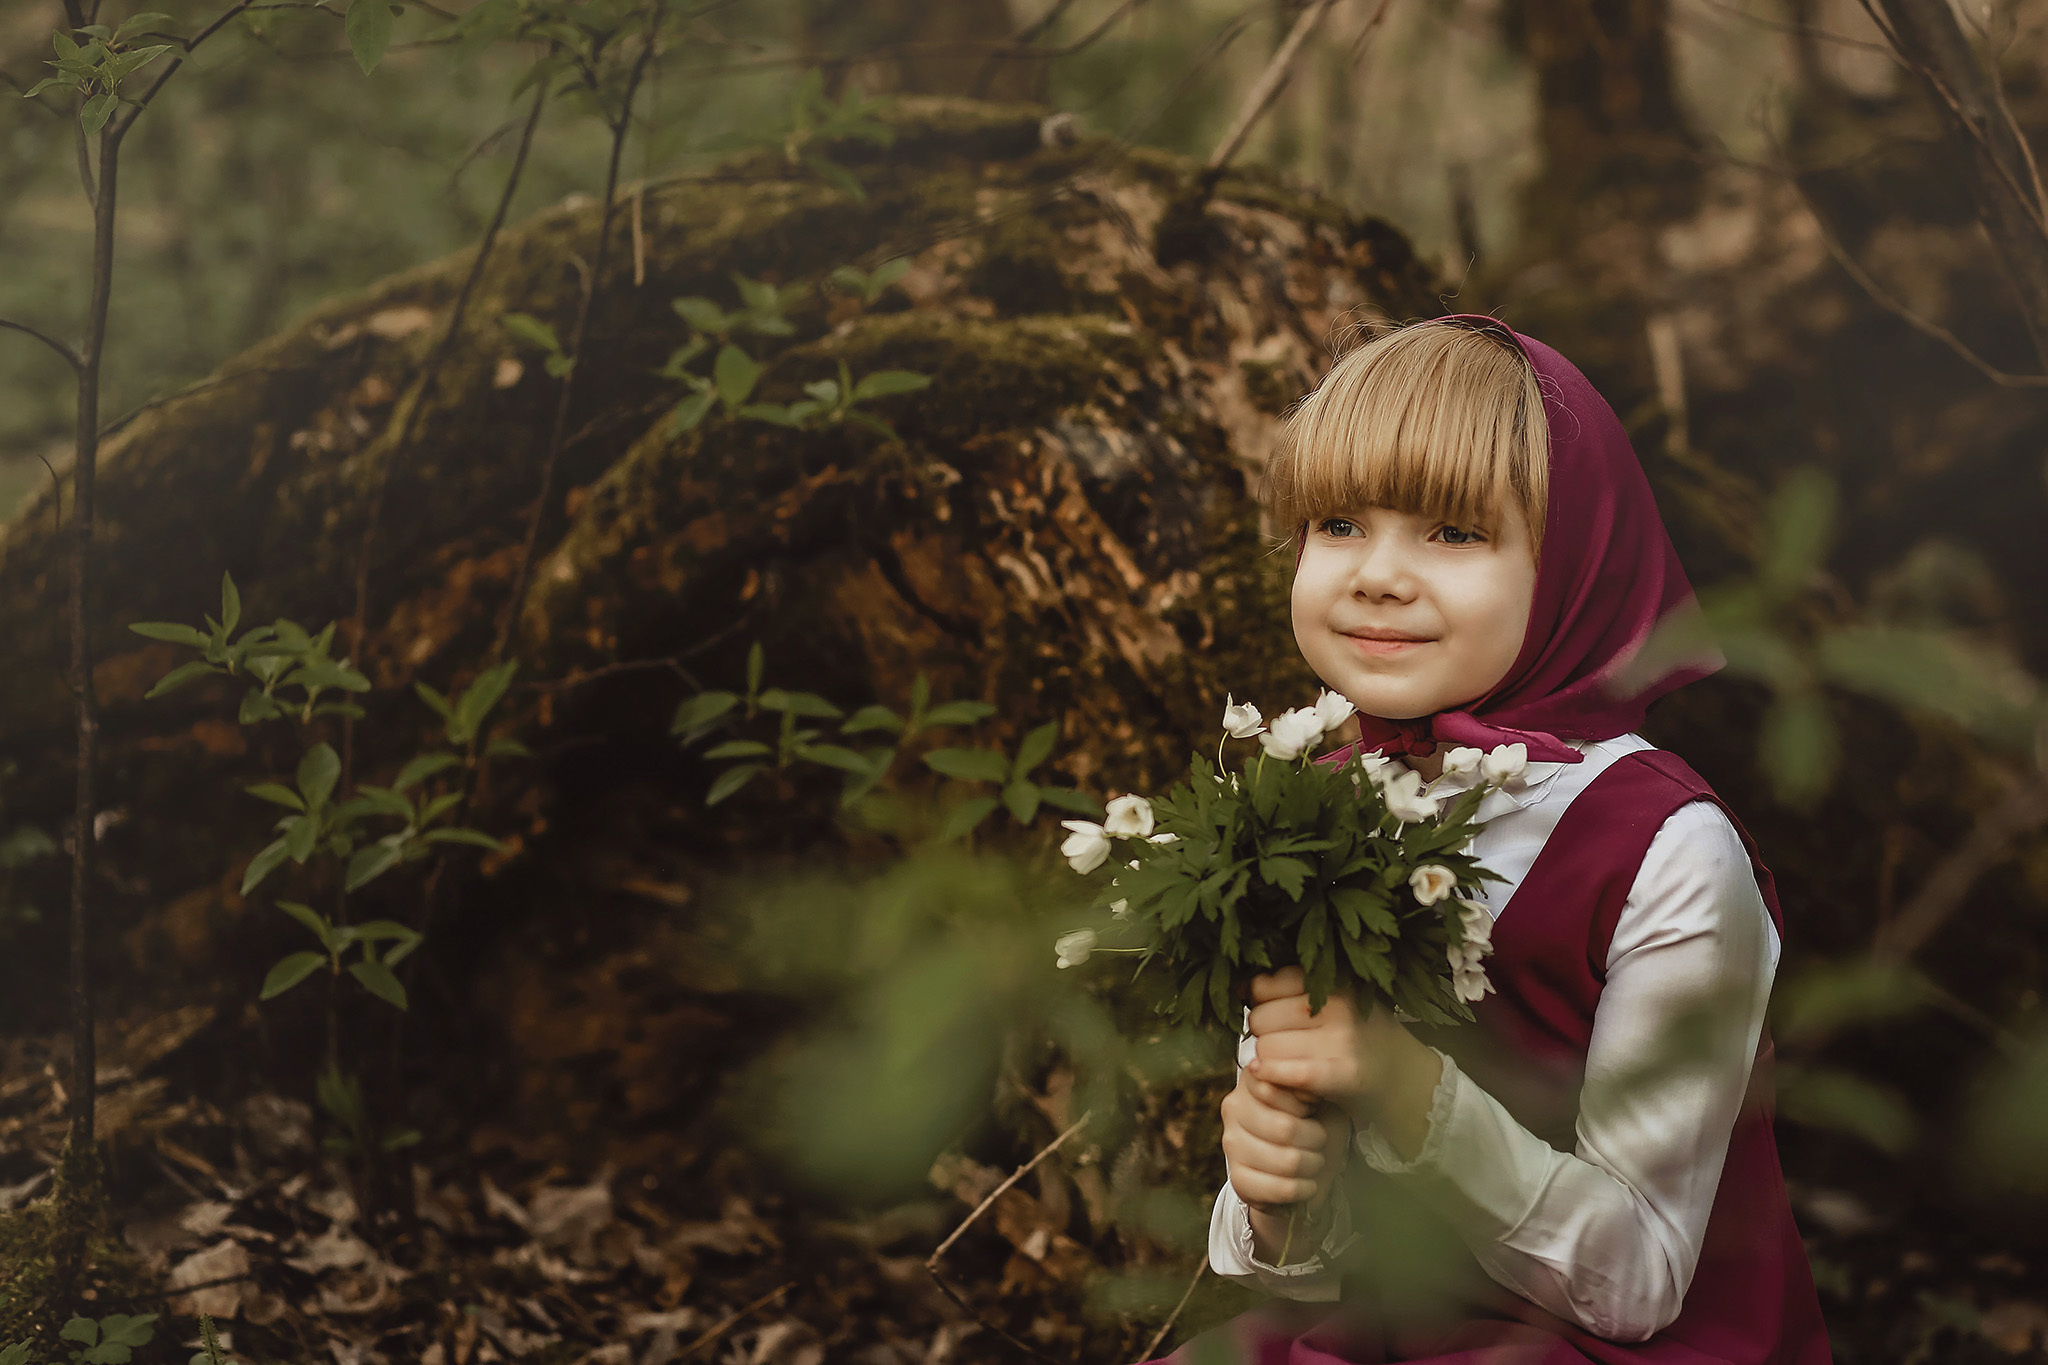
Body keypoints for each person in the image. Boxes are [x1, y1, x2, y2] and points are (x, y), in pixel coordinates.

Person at [1170, 317, 1831, 1363]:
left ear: (1574, 561)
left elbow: (1641, 1281)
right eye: (1337, 523)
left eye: (1451, 532)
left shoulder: (1664, 849)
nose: (1376, 575)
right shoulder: (1309, 804)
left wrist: (1405, 1090)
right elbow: (1307, 1264)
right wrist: (1276, 1199)